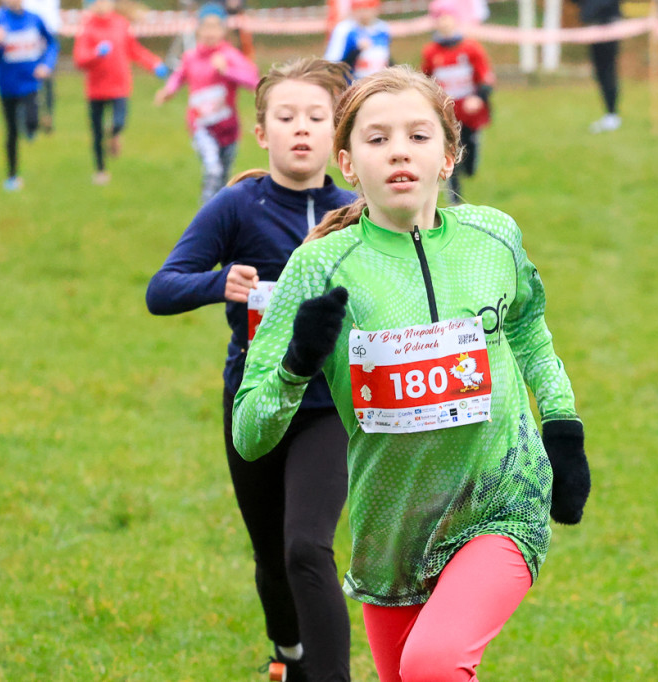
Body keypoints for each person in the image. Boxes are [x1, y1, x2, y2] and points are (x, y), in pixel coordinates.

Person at [232, 65, 591, 681]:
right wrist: (296, 365)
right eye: (377, 139)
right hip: (392, 530)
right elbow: (249, 433)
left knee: (433, 665)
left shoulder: (493, 238)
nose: (398, 150)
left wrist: (561, 424)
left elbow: (530, 330)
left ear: (450, 156)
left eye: (418, 136)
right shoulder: (318, 267)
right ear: (347, 163)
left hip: (501, 498)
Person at [147, 57, 357, 682]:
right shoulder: (237, 205)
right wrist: (221, 284)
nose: (302, 129)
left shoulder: (357, 213)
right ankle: (288, 655)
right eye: (286, 117)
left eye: (317, 117)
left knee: (306, 547)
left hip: (328, 408)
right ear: (261, 132)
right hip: (254, 405)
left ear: (337, 133)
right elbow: (162, 288)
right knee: (271, 551)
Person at [153, 2, 259, 204]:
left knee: (224, 179)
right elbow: (178, 76)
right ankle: (206, 216)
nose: (210, 32)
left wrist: (226, 71)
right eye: (206, 27)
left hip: (229, 129)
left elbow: (253, 80)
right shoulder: (191, 57)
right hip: (201, 126)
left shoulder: (229, 55)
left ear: (224, 30)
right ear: (198, 29)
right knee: (213, 170)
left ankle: (221, 216)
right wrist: (168, 91)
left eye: (215, 27)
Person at [74, 0, 169, 185]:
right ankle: (100, 170)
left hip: (119, 86)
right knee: (96, 132)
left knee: (118, 122)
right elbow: (80, 59)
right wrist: (95, 54)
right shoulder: (86, 28)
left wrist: (154, 64)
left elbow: (134, 50)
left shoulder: (121, 24)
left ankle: (115, 134)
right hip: (96, 89)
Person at [0, 0, 58, 191]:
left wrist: (46, 65)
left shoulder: (34, 19)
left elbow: (52, 45)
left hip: (30, 82)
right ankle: (12, 176)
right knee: (11, 131)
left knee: (31, 121)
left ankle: (31, 127)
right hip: (7, 86)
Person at [421, 0, 495, 204]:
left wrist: (479, 98)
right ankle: (455, 200)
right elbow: (425, 80)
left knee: (468, 162)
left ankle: (472, 157)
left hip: (469, 115)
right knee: (449, 154)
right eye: (439, 19)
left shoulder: (471, 49)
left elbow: (486, 78)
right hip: (445, 115)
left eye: (448, 18)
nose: (444, 23)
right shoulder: (431, 52)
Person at [572, 0, 622, 133]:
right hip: (594, 26)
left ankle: (612, 115)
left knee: (607, 71)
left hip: (608, 24)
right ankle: (610, 114)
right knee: (600, 73)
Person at [323, 0, 393, 81]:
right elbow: (333, 63)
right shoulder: (345, 29)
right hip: (353, 83)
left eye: (367, 8)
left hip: (377, 82)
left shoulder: (382, 28)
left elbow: (385, 58)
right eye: (359, 9)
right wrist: (356, 51)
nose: (363, 13)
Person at [23, 0, 61, 132]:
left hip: (48, 32)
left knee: (47, 78)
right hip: (30, 33)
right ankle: (29, 118)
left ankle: (47, 116)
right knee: (28, 77)